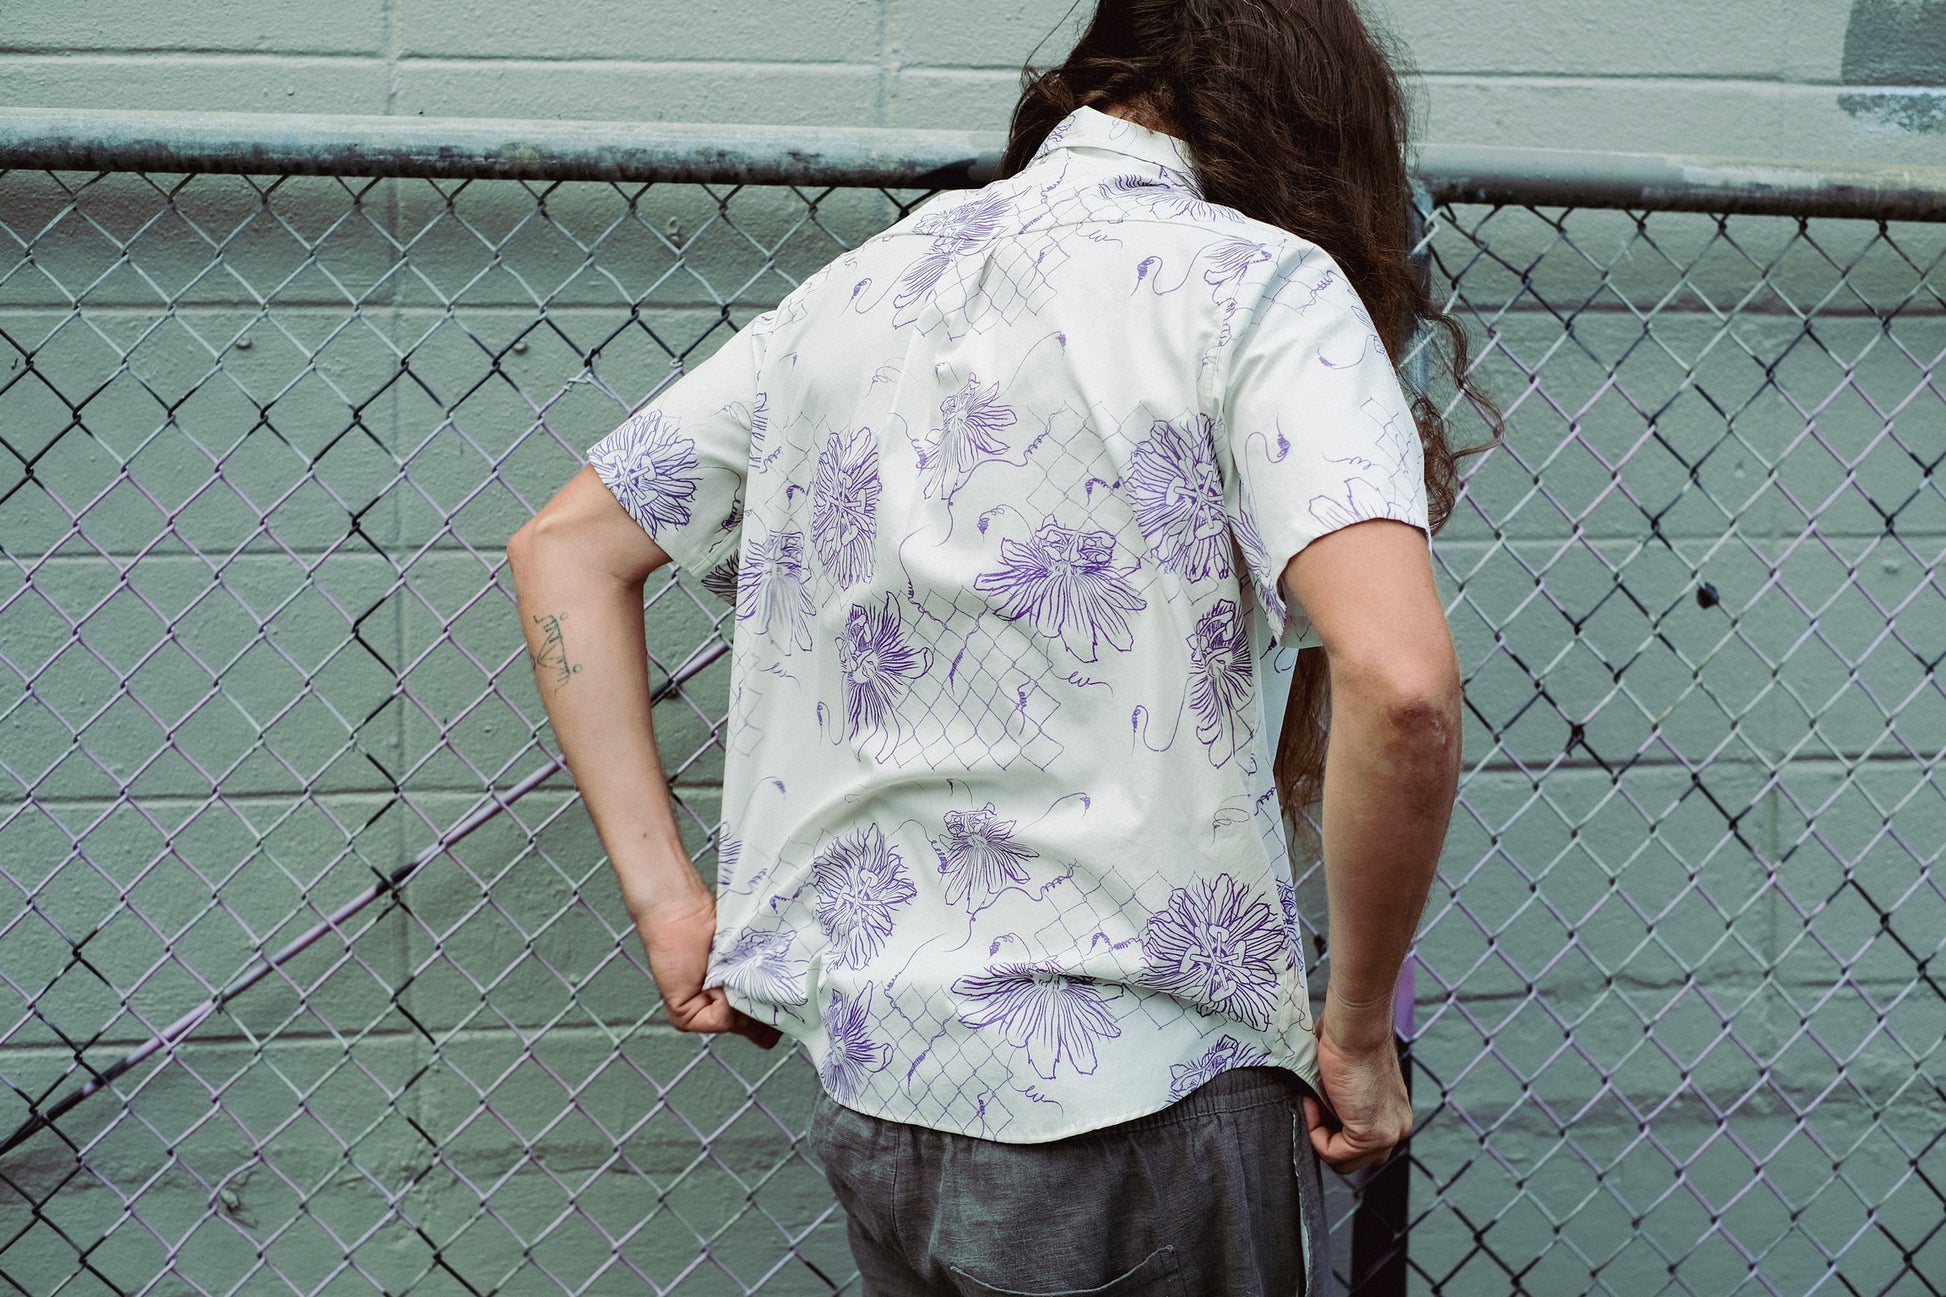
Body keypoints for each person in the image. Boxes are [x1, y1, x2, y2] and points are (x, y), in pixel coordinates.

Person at [507, 1, 1497, 1291]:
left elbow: (563, 550)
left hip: (884, 1089)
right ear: (1313, 110)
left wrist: (670, 906)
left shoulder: (862, 287)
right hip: (1145, 1095)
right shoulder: (1260, 286)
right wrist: (1358, 1033)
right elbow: (1405, 686)